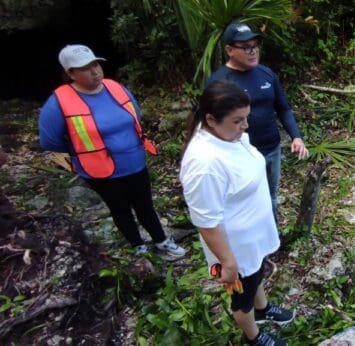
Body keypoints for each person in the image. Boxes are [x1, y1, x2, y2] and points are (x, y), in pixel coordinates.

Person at [38, 44, 186, 258]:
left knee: (145, 205)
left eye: (95, 64)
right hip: (99, 169)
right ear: (70, 73)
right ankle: (138, 246)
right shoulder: (59, 102)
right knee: (120, 208)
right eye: (85, 68)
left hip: (134, 161)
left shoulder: (114, 87)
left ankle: (162, 242)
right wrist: (81, 149)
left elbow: (135, 114)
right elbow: (50, 140)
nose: (94, 71)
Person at [180, 80, 295, 346]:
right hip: (235, 248)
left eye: (246, 118)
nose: (245, 126)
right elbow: (206, 222)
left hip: (254, 235)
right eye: (237, 120)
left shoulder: (228, 135)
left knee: (257, 274)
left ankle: (264, 310)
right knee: (242, 298)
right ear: (210, 119)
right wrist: (228, 262)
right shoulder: (204, 163)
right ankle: (253, 337)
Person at [206, 22, 309, 223]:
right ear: (229, 50)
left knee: (270, 195)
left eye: (255, 46)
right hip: (240, 155)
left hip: (272, 149)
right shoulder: (220, 82)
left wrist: (296, 136)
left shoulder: (266, 74)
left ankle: (272, 235)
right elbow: (210, 123)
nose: (252, 52)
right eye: (245, 47)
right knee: (247, 200)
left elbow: (283, 108)